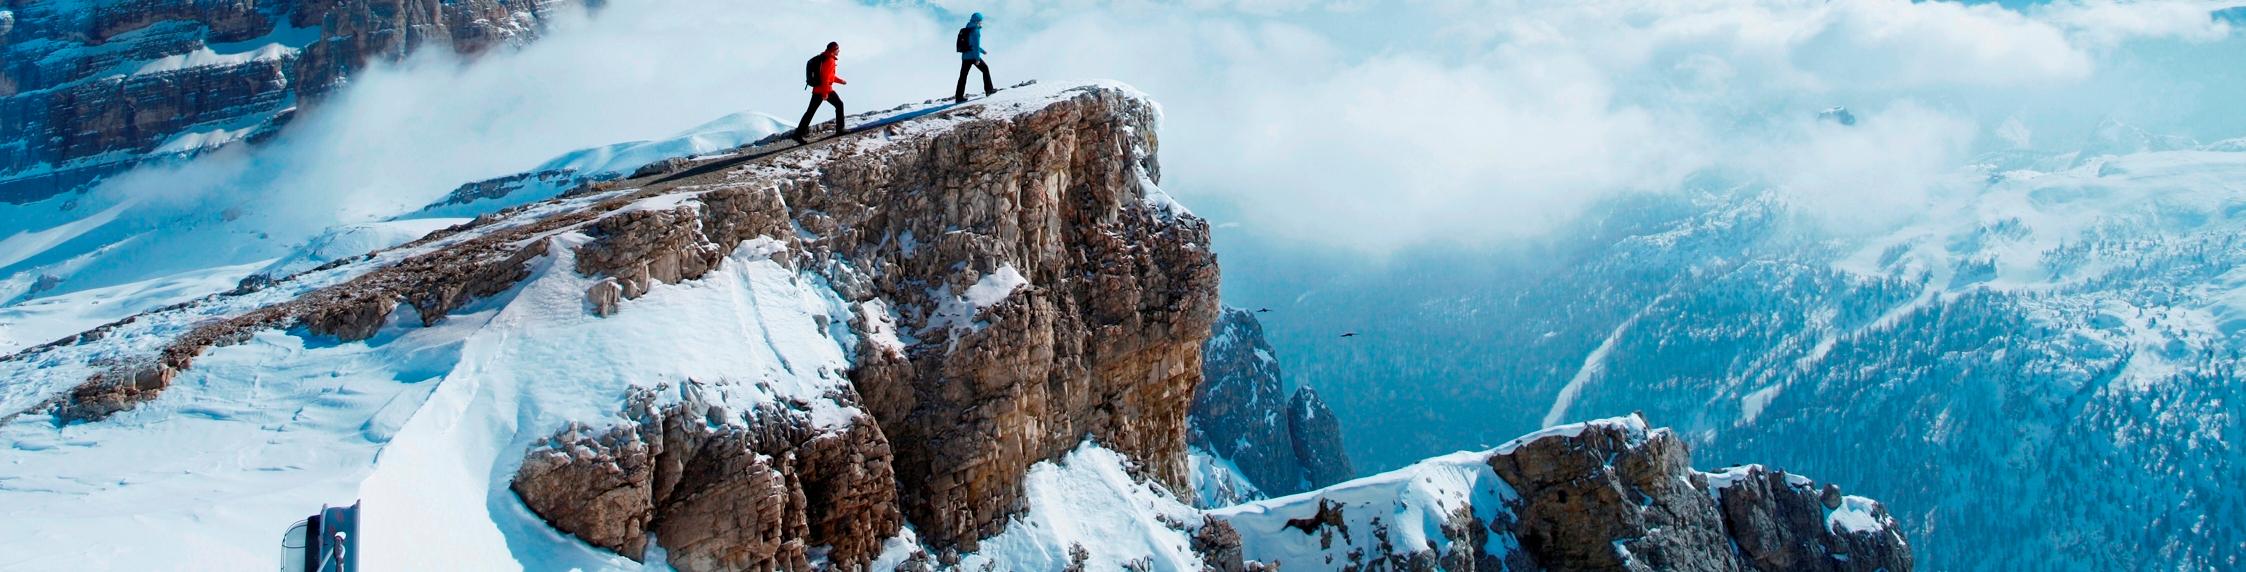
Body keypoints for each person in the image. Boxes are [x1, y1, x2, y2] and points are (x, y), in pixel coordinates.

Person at [794, 42, 848, 144]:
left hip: (818, 89)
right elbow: (825, 78)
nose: (839, 51)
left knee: (810, 112)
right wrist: (825, 93)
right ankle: (840, 129)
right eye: (838, 49)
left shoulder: (824, 57)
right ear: (834, 50)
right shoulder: (830, 60)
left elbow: (829, 76)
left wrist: (841, 81)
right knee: (839, 105)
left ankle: (797, 134)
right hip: (825, 89)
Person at [954, 13, 995, 103]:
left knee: (963, 76)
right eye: (980, 20)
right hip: (973, 56)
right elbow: (975, 46)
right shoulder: (976, 30)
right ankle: (989, 90)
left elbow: (971, 44)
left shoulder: (968, 28)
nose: (981, 22)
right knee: (985, 69)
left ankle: (959, 97)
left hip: (965, 57)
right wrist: (977, 59)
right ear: (977, 21)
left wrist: (982, 51)